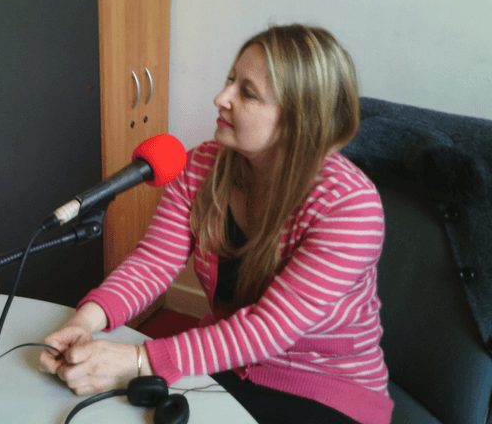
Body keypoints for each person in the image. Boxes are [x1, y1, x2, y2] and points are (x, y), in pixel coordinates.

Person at [39, 24, 394, 424]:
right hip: (226, 361)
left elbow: (269, 329)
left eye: (247, 93)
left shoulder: (350, 206)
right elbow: (153, 264)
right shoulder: (200, 167)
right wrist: (85, 321)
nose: (221, 98)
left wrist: (138, 360)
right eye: (230, 80)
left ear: (300, 120)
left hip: (323, 386)